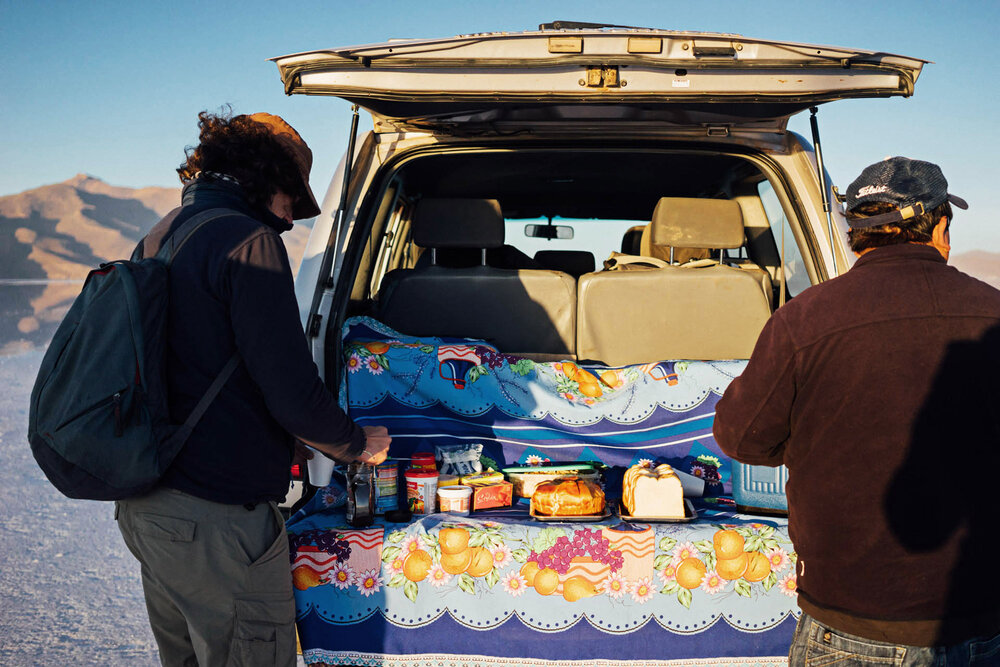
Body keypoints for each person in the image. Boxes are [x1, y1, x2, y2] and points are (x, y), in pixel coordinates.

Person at [114, 110, 390, 667]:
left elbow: (194, 367)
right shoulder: (248, 242)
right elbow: (289, 388)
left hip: (150, 509)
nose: (291, 223)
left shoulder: (163, 233)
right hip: (216, 520)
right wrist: (358, 444)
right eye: (292, 205)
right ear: (270, 181)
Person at [714, 157, 1000, 664]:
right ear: (940, 226)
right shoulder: (992, 313)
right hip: (982, 619)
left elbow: (742, 439)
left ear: (856, 235)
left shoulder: (803, 320)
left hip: (847, 623)